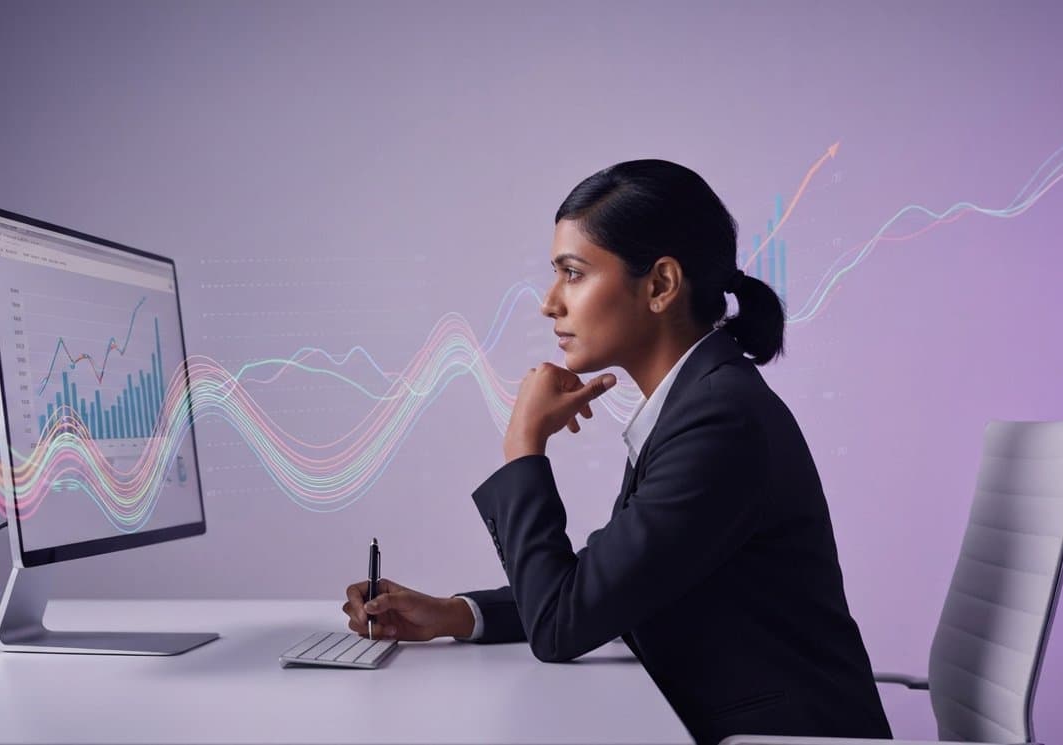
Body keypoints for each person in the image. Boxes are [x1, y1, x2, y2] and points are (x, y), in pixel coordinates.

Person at [342, 159, 893, 744]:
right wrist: (454, 614)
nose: (550, 303)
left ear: (660, 285)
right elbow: (605, 587)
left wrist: (524, 445)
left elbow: (562, 624)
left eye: (573, 274)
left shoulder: (719, 421)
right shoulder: (695, 402)